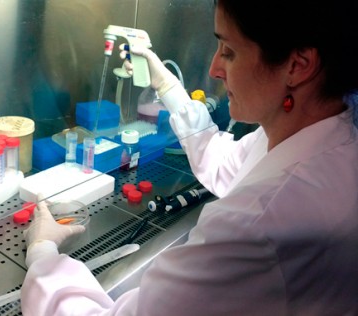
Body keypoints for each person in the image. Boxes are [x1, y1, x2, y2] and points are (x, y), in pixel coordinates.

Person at [20, 0, 358, 314]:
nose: (213, 68)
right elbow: (224, 163)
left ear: (298, 65)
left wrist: (43, 256)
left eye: (229, 51)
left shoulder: (257, 228)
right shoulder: (330, 140)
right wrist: (165, 84)